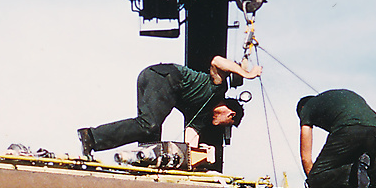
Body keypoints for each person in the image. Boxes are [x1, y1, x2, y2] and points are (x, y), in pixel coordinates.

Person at [79, 56, 262, 156]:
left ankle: (136, 163)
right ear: (230, 114)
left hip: (152, 77)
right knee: (149, 124)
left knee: (151, 139)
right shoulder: (218, 88)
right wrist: (247, 74)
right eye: (227, 125)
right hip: (165, 77)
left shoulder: (200, 118)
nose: (222, 127)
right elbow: (216, 61)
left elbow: (189, 144)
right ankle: (92, 137)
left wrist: (199, 156)